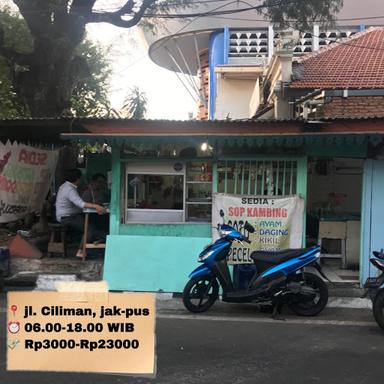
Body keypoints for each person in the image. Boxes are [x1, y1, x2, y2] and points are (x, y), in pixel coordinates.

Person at [55, 168, 106, 258]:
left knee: (92, 223)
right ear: (78, 179)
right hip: (67, 217)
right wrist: (96, 206)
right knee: (89, 228)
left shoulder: (65, 186)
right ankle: (81, 251)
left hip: (69, 215)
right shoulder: (69, 189)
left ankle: (99, 239)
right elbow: (81, 204)